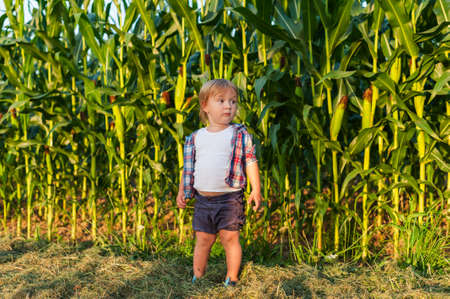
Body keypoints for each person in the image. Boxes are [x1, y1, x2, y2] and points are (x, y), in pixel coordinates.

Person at [176, 79, 262, 286]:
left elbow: (250, 161)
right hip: (203, 200)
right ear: (205, 106)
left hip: (230, 199)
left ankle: (231, 278)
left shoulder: (239, 134)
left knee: (230, 238)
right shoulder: (196, 138)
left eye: (233, 102)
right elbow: (188, 168)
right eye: (221, 101)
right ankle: (198, 276)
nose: (228, 106)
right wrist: (182, 191)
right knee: (203, 240)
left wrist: (256, 189)